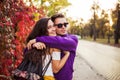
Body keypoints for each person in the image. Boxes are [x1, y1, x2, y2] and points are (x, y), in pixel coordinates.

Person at [27, 13, 78, 80]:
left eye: (65, 24)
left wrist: (37, 39)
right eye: (59, 25)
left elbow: (60, 41)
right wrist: (34, 46)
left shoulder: (73, 39)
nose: (63, 27)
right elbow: (27, 55)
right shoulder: (48, 41)